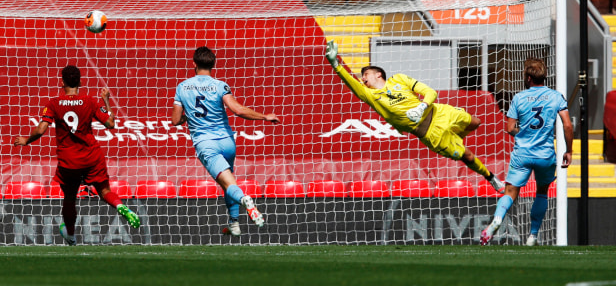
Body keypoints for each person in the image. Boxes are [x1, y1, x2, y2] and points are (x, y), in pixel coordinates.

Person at [324, 40, 505, 193]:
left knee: (476, 122)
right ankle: (491, 177)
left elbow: (429, 92)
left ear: (378, 74)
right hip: (431, 134)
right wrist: (336, 65)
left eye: (365, 74)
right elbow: (351, 82)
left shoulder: (400, 79)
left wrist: (422, 106)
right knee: (468, 156)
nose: (362, 78)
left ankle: (458, 135)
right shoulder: (370, 96)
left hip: (438, 112)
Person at [13, 65, 140, 246]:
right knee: (105, 191)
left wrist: (26, 140)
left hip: (69, 161)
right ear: (80, 82)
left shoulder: (54, 103)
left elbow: (41, 129)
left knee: (70, 198)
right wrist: (106, 101)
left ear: (62, 82)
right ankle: (120, 206)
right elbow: (111, 124)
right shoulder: (89, 101)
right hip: (91, 156)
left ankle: (71, 236)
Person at [171, 46, 280, 236]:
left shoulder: (182, 87)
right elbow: (237, 110)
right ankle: (234, 223)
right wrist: (264, 116)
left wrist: (190, 116)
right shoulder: (220, 85)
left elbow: (175, 120)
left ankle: (246, 200)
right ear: (214, 64)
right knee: (228, 182)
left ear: (193, 64)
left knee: (230, 186)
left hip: (207, 145)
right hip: (228, 142)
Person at [480, 58, 573, 246]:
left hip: (522, 153)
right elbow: (568, 125)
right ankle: (533, 236)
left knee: (510, 192)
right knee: (541, 193)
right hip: (545, 155)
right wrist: (569, 150)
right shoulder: (556, 96)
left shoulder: (519, 98)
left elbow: (509, 128)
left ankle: (496, 221)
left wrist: (522, 132)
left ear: (529, 78)